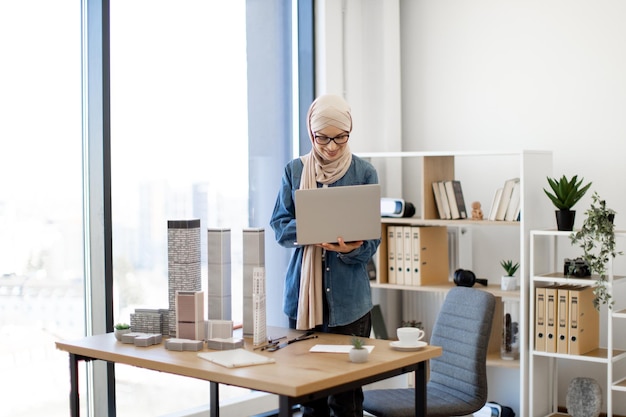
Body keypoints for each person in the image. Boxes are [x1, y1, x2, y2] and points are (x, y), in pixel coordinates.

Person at [270, 94, 381, 417]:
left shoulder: (364, 172)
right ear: (310, 132)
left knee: (346, 399)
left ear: (350, 131)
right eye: (323, 138)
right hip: (302, 302)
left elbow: (372, 241)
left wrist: (351, 249)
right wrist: (313, 228)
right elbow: (279, 227)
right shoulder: (294, 171)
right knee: (310, 397)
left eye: (340, 138)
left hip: (351, 307)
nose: (331, 147)